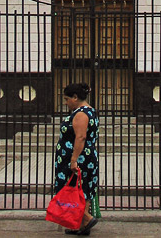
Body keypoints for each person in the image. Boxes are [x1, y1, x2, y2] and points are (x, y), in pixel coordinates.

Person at [53, 82, 99, 235]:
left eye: (67, 99)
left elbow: (80, 137)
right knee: (82, 190)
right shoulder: (89, 111)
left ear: (75, 97)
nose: (66, 103)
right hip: (86, 157)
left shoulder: (81, 114)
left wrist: (73, 160)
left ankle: (86, 219)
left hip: (78, 158)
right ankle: (81, 225)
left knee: (69, 189)